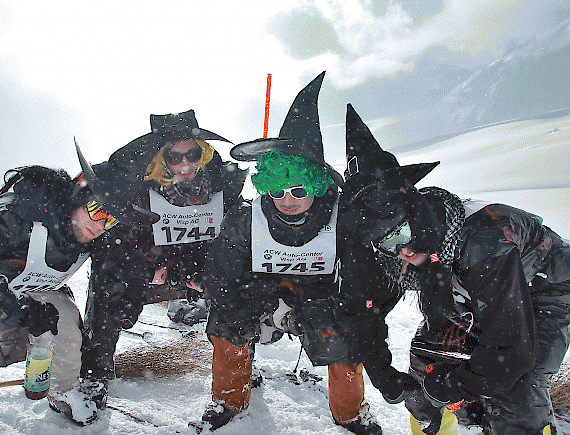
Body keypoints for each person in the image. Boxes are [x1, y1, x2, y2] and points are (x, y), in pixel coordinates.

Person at [339, 103, 570, 435]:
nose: (401, 249)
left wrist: (454, 385)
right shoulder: (392, 247)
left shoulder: (484, 241)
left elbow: (511, 350)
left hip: (542, 291)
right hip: (470, 292)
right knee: (423, 370)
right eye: (385, 242)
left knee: (517, 392)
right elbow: (368, 311)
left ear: (415, 207)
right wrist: (382, 372)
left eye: (401, 232)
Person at [191, 72, 384, 435]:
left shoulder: (342, 220)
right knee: (224, 322)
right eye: (277, 191)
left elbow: (364, 283)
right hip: (260, 295)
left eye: (297, 189)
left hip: (321, 299)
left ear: (315, 182)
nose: (287, 201)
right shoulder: (247, 219)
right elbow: (219, 280)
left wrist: (324, 313)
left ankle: (351, 412)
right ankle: (230, 399)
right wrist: (250, 307)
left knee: (348, 331)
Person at [0, 142, 154, 433]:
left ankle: (63, 391)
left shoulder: (91, 231)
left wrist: (132, 296)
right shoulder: (12, 217)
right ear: (79, 193)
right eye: (96, 209)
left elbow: (127, 264)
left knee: (64, 319)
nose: (100, 224)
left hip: (18, 281)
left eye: (111, 219)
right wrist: (23, 313)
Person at [78, 110, 247, 410]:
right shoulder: (141, 188)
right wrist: (148, 266)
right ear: (162, 159)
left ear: (204, 153)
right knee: (108, 279)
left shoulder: (224, 184)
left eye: (192, 154)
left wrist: (205, 270)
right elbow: (123, 239)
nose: (185, 164)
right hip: (155, 262)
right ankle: (95, 370)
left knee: (242, 280)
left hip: (202, 261)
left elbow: (234, 235)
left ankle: (242, 363)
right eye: (174, 157)